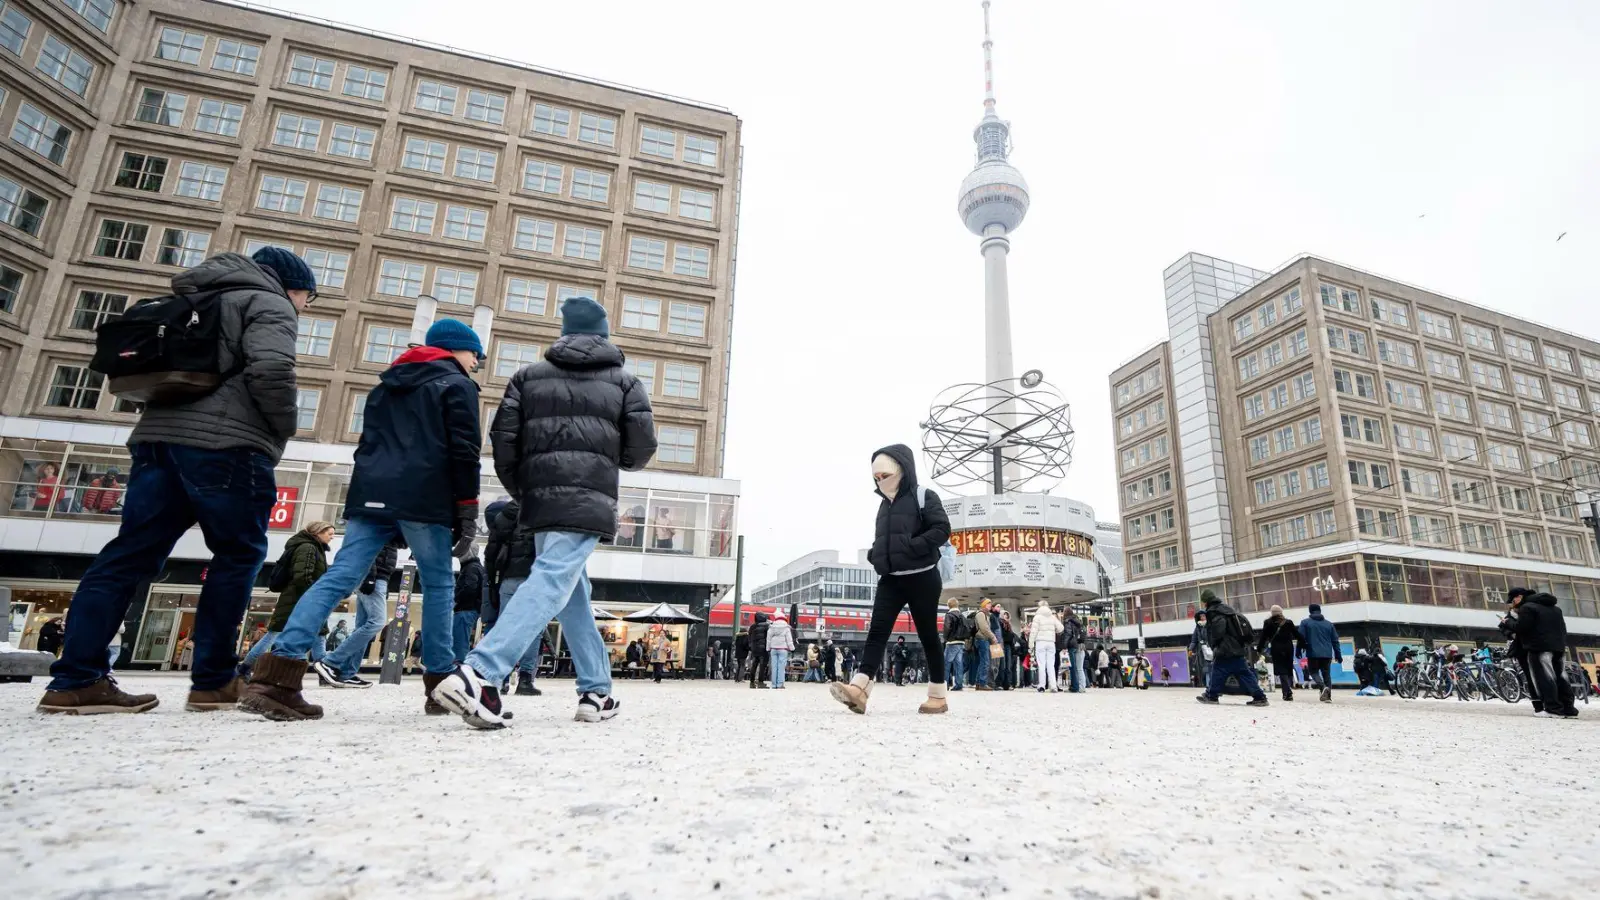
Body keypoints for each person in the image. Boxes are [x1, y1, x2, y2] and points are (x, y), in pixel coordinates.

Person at [37, 249, 308, 715]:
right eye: (308, 297)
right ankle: (213, 681)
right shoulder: (268, 302)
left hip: (157, 442)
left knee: (128, 555)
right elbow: (272, 370)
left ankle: (75, 679)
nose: (305, 307)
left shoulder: (196, 297)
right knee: (237, 555)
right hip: (228, 448)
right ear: (291, 285)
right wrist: (283, 427)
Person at [240, 318, 485, 721]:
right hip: (425, 496)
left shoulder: (385, 385)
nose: (476, 362)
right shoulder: (455, 385)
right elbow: (464, 451)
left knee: (338, 578)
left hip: (371, 493)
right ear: (453, 349)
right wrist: (467, 508)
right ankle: (440, 681)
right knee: (440, 583)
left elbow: (367, 445)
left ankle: (276, 676)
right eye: (475, 353)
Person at [433, 296, 656, 729]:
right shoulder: (625, 382)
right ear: (604, 334)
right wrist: (609, 459)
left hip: (537, 498)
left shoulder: (526, 377)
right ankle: (480, 673)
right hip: (587, 496)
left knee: (572, 592)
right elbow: (640, 449)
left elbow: (504, 444)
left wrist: (527, 490)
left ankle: (596, 690)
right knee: (555, 579)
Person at [829, 444, 952, 715]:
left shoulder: (924, 496)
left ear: (900, 470)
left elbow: (942, 529)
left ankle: (938, 695)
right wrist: (876, 556)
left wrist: (911, 546)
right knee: (877, 632)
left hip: (922, 577)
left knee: (928, 635)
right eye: (876, 477)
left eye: (884, 475)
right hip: (891, 579)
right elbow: (883, 541)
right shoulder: (884, 505)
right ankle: (860, 689)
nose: (880, 481)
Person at [239, 521, 335, 678]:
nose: (332, 537)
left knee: (319, 634)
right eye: (329, 533)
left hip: (305, 600)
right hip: (297, 601)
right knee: (274, 635)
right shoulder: (308, 547)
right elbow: (302, 577)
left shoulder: (314, 548)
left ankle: (324, 673)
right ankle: (244, 669)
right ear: (317, 532)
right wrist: (316, 597)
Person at [314, 538, 400, 688]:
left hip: (378, 578)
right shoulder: (384, 524)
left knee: (363, 626)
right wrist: (370, 577)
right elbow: (369, 549)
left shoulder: (392, 531)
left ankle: (346, 673)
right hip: (373, 577)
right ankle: (330, 662)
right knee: (377, 622)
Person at [481, 499, 542, 695]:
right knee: (533, 629)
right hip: (533, 579)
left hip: (508, 580)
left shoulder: (503, 518)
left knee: (505, 627)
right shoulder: (539, 514)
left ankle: (501, 679)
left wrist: (492, 583)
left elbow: (490, 554)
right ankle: (525, 680)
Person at [1510, 587, 1578, 718]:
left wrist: (1509, 622)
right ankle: (1569, 708)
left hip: (1539, 647)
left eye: (1514, 599)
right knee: (1561, 677)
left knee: (1545, 678)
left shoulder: (1527, 607)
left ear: (1519, 597)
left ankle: (1553, 708)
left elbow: (1522, 627)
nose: (1513, 602)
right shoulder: (1556, 609)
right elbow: (1562, 628)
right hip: (1558, 647)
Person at [1194, 590, 1269, 706]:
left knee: (1217, 671)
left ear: (1205, 601)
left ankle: (1211, 696)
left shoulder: (1215, 612)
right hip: (1236, 647)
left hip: (1226, 648)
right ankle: (1260, 697)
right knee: (1244, 673)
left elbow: (1218, 631)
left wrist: (1214, 643)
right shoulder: (1225, 608)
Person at [1297, 603, 1342, 703]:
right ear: (1320, 611)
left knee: (1313, 672)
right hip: (1327, 654)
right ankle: (1328, 696)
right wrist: (1338, 655)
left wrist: (1298, 650)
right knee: (1326, 674)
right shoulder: (1329, 624)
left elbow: (1300, 637)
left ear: (1310, 611)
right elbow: (1335, 640)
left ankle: (1323, 687)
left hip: (1313, 653)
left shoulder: (1305, 623)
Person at [1255, 604, 1300, 701]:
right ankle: (1287, 691)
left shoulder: (1268, 623)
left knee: (1282, 670)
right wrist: (1304, 644)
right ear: (1281, 612)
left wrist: (1259, 649)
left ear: (1272, 613)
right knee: (1288, 669)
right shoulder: (1288, 622)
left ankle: (1287, 692)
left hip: (1277, 649)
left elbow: (1263, 637)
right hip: (1288, 649)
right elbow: (1297, 635)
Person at [451, 548, 486, 664]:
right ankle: (459, 667)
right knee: (460, 640)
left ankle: (459, 669)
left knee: (459, 642)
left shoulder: (471, 568)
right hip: (469, 609)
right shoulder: (474, 567)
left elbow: (470, 589)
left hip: (465, 609)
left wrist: (456, 599)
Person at [1027, 601, 1061, 693]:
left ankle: (1041, 686)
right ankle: (1053, 686)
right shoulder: (1052, 617)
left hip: (1040, 642)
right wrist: (1054, 631)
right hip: (1051, 643)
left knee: (1041, 665)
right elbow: (1061, 628)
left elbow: (1033, 632)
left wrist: (1030, 644)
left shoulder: (1037, 617)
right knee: (1051, 665)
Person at [767, 610, 795, 689]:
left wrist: (768, 648)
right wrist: (792, 649)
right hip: (783, 649)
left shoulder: (772, 626)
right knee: (781, 667)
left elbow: (768, 639)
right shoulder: (786, 627)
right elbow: (789, 639)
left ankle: (774, 685)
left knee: (774, 667)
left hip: (773, 649)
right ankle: (780, 684)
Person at [1189, 611, 1214, 690]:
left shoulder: (1211, 625)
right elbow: (1194, 640)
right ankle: (1209, 686)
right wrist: (1190, 649)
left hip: (1213, 650)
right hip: (1203, 652)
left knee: (1212, 668)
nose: (1203, 617)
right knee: (1206, 669)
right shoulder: (1197, 628)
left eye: (1204, 616)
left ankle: (1211, 687)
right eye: (1201, 616)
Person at [1062, 610, 1085, 692]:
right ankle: (1079, 686)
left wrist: (1064, 646)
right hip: (1076, 645)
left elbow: (1068, 634)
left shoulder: (1068, 621)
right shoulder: (1077, 621)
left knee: (1072, 667)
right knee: (1077, 667)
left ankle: (1074, 687)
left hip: (1071, 645)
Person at [746, 612, 771, 689]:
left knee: (754, 665)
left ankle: (752, 682)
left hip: (754, 649)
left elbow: (749, 638)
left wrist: (751, 647)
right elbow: (769, 636)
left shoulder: (752, 627)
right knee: (762, 666)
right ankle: (760, 682)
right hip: (763, 649)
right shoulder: (767, 626)